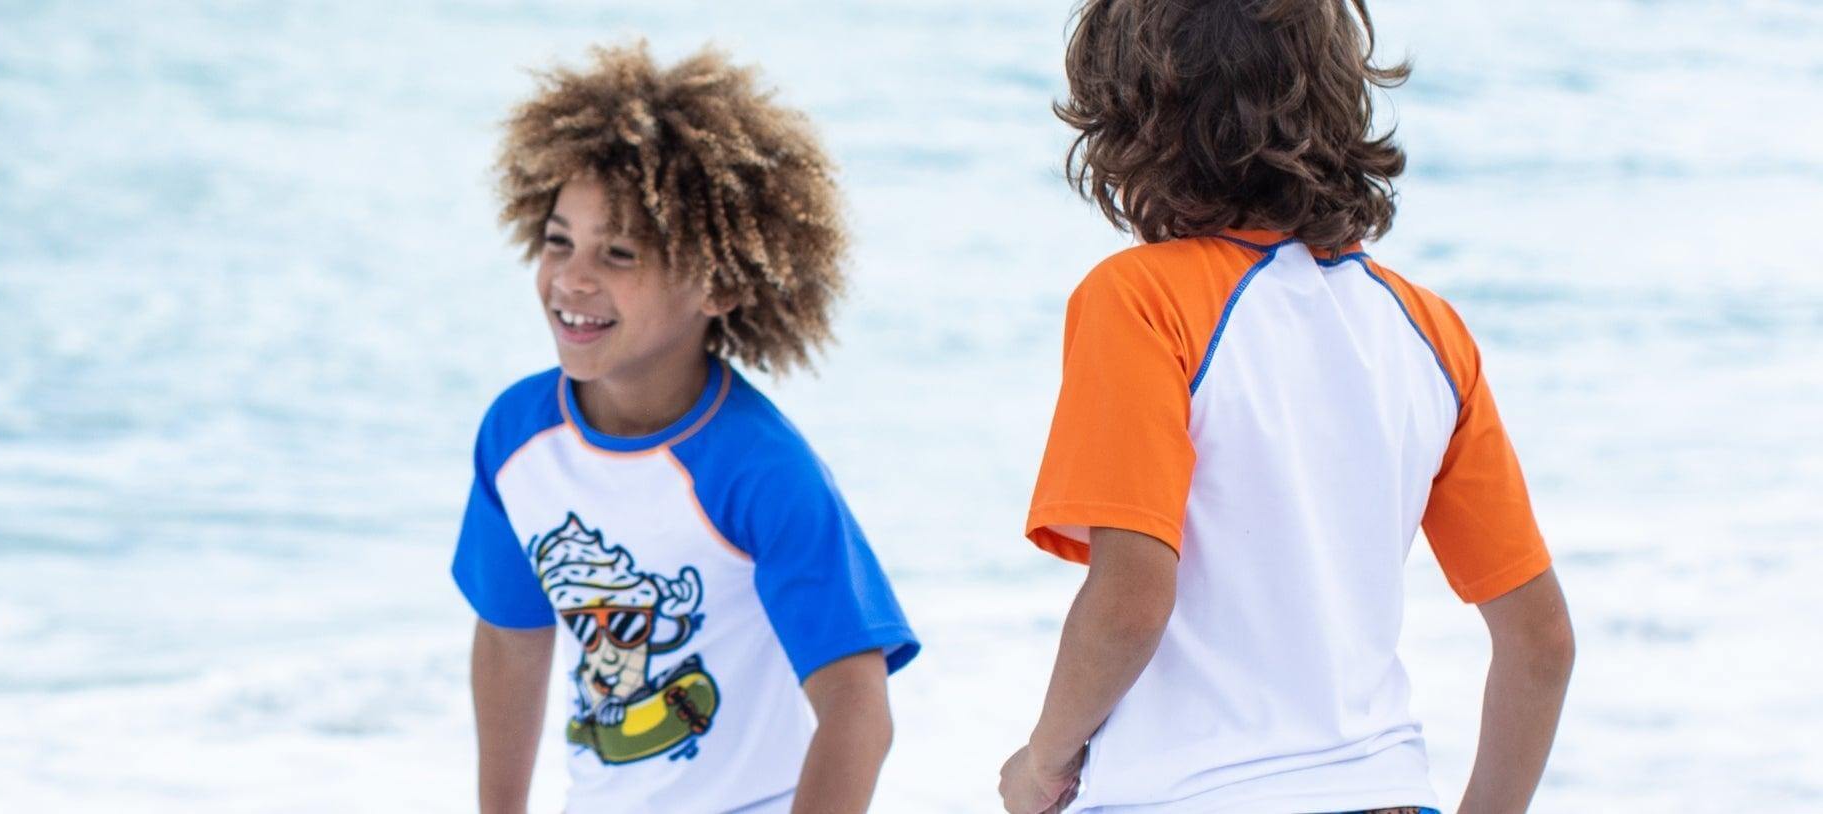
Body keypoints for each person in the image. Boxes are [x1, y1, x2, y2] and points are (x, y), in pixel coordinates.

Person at [998, 2, 1575, 812]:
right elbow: (1540, 641)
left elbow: (1131, 601)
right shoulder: (1428, 332)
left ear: (1127, 119)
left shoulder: (1140, 299)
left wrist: (1040, 762)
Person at [453, 42, 920, 814]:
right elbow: (509, 636)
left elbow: (858, 709)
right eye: (559, 240)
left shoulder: (762, 472)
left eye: (621, 252)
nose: (572, 278)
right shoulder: (516, 439)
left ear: (723, 282)